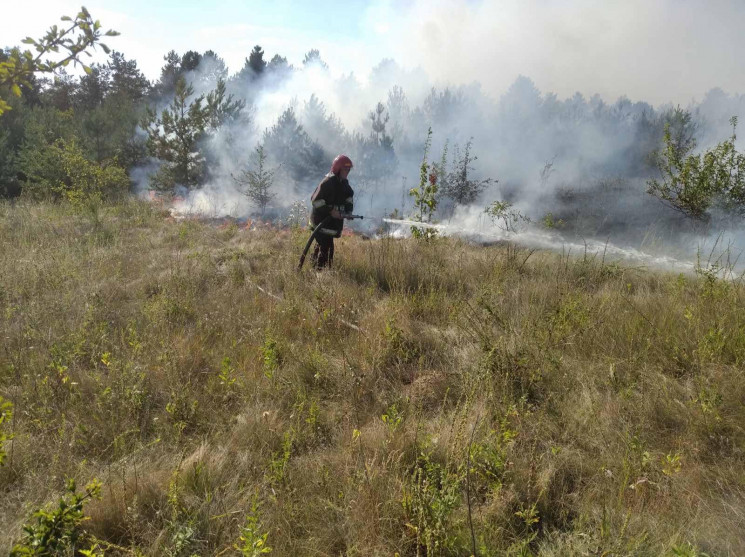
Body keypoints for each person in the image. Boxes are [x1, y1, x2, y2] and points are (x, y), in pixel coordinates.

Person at [309, 154, 355, 269]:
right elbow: (315, 201)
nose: (348, 172)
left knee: (323, 246)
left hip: (331, 225)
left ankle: (313, 266)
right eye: (345, 169)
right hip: (320, 222)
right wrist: (331, 211)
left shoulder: (344, 184)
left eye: (349, 169)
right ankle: (320, 274)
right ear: (338, 168)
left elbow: (349, 199)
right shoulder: (327, 182)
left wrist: (348, 212)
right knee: (327, 249)